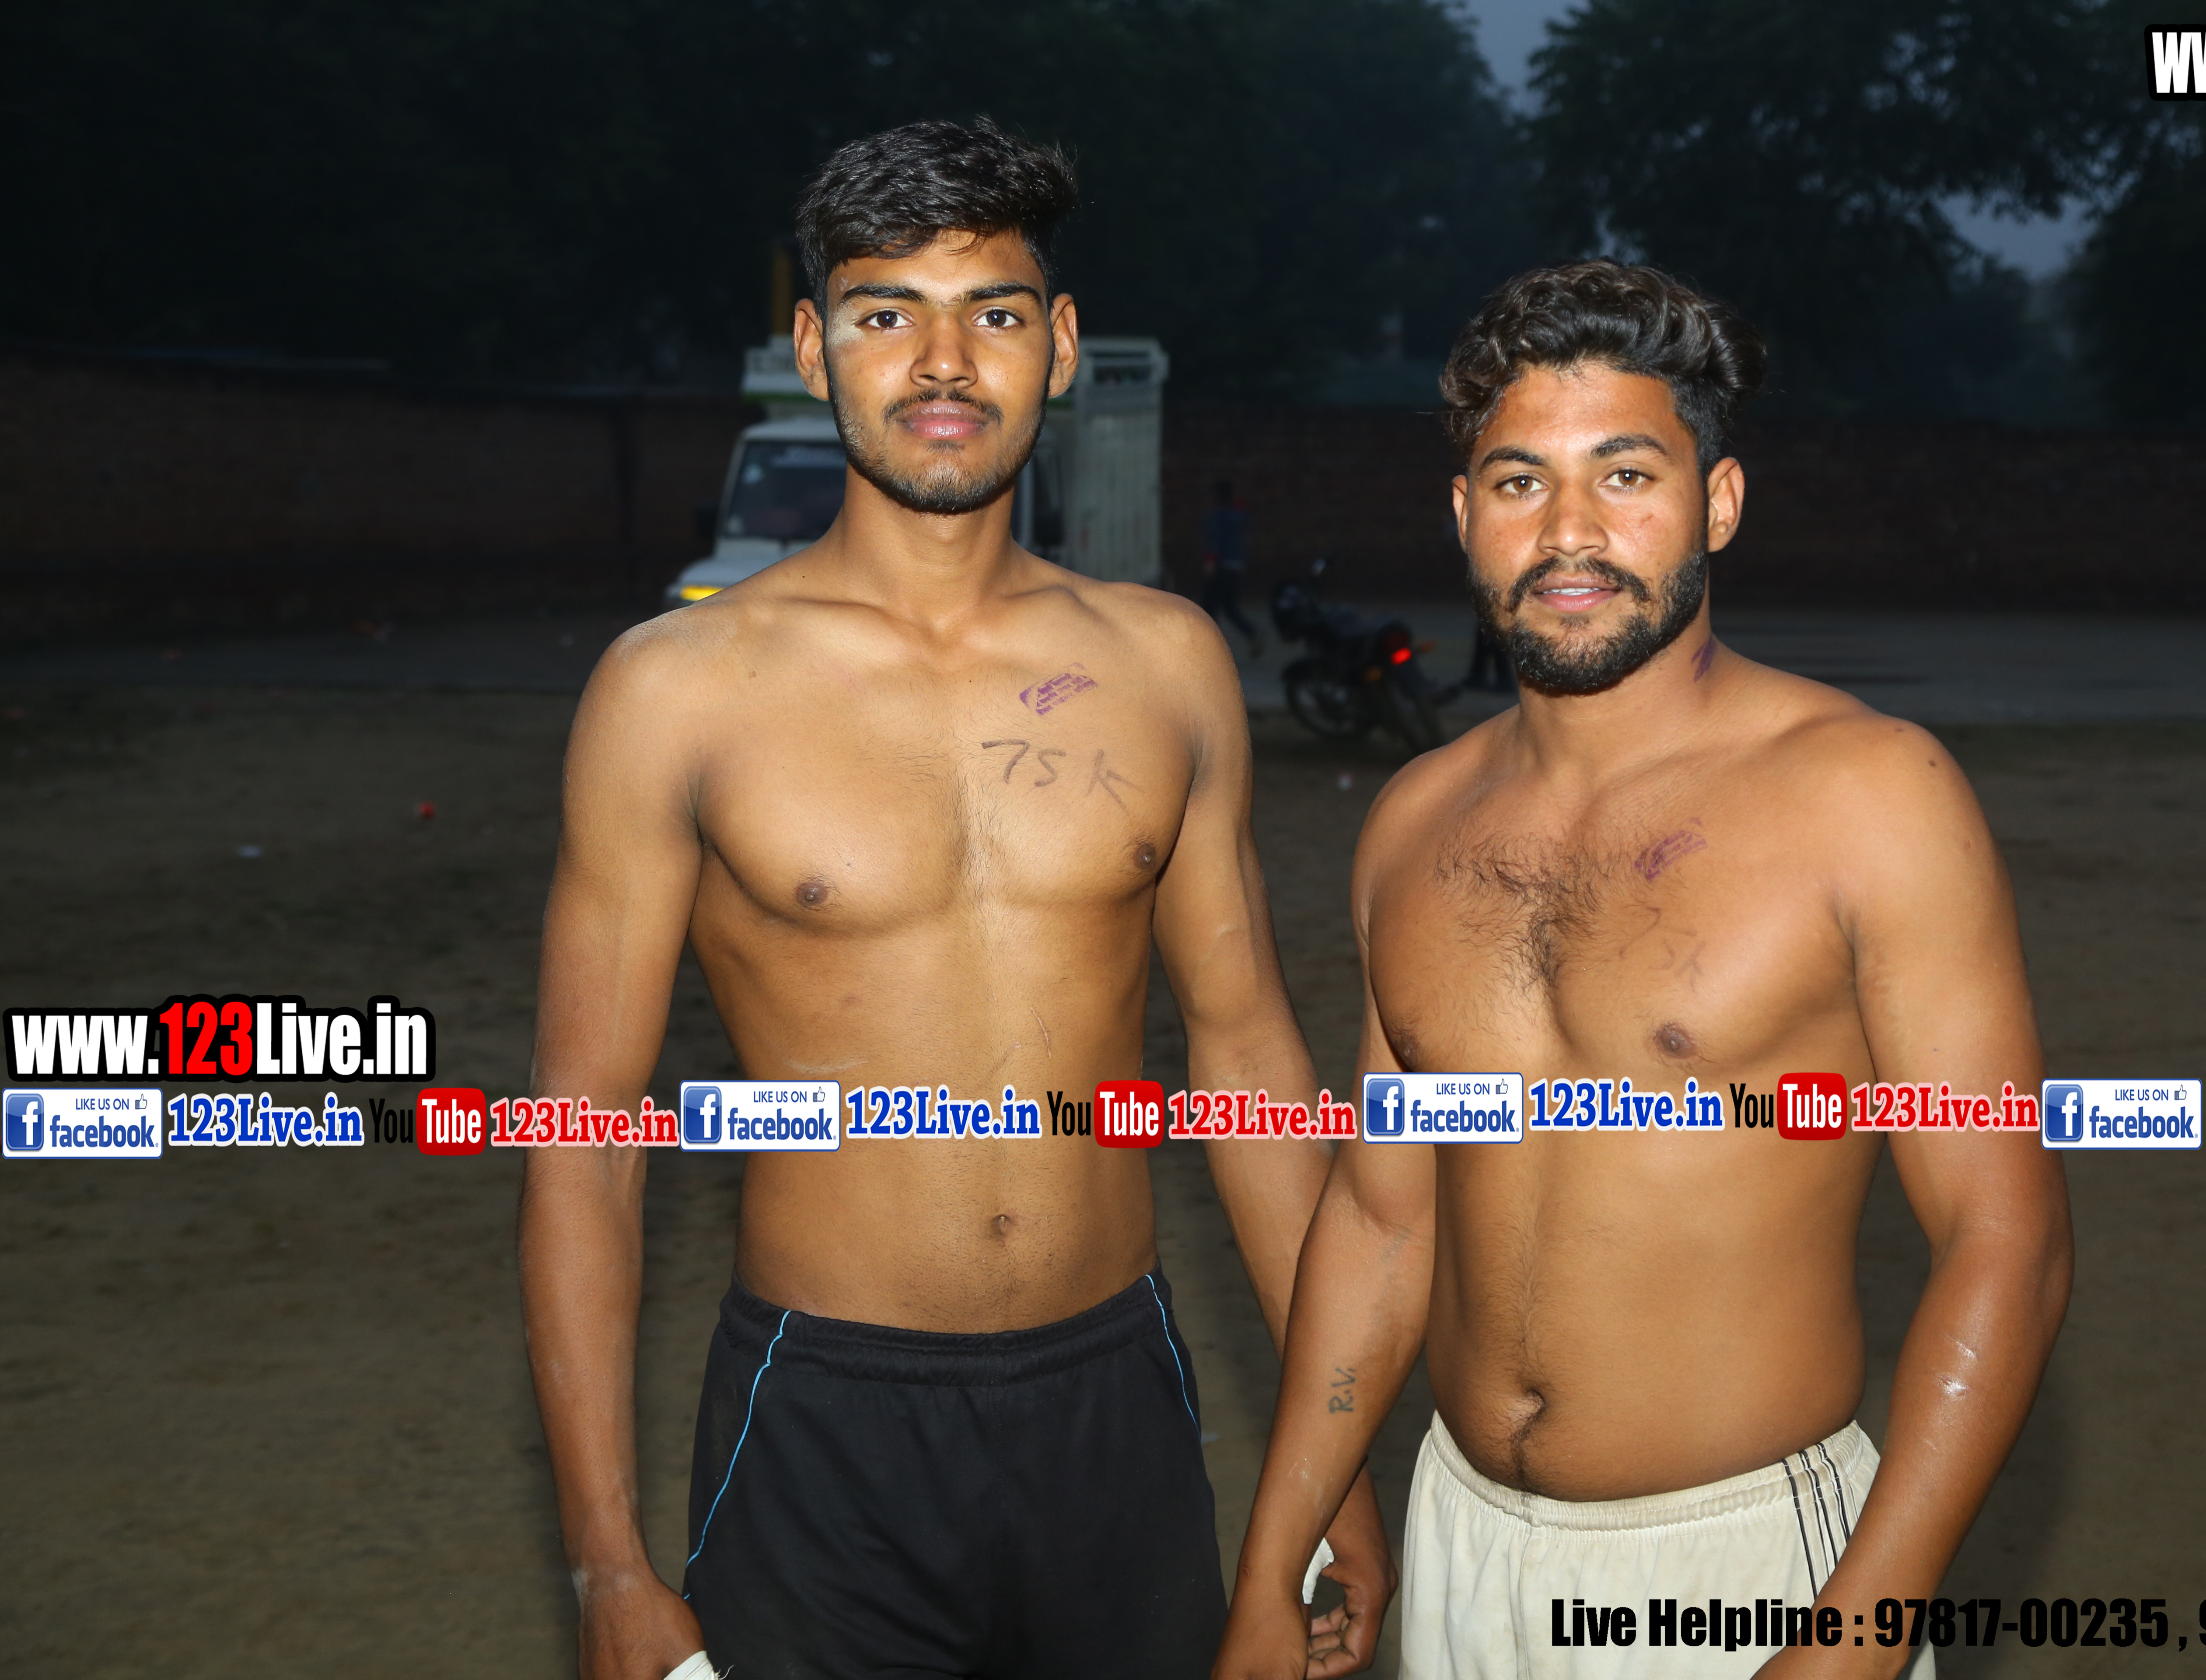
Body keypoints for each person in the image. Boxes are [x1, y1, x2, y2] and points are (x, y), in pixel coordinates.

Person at [520, 119, 1391, 1680]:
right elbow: (585, 1136)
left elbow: (1251, 1065)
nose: (941, 362)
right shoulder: (673, 689)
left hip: (1116, 1398)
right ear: (813, 348)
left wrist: (1337, 1473)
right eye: (885, 313)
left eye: (992, 311)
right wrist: (604, 1559)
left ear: (1059, 345)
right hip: (819, 1418)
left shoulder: (1167, 663)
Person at [1212, 261, 2072, 1680]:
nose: (1570, 531)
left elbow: (2005, 1239)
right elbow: (1382, 1219)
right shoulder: (1414, 823)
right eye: (1520, 482)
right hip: (1463, 1543)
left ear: (1717, 502)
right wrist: (1275, 1555)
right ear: (1464, 516)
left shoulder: (1871, 796)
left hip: (1750, 1569)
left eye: (1625, 475)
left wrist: (1858, 1636)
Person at [1202, 479, 1264, 659]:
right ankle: (1252, 633)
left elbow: (1214, 541)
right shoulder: (1239, 516)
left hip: (1221, 567)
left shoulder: (1216, 517)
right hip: (1237, 567)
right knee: (1230, 609)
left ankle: (1209, 647)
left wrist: (1210, 562)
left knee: (1209, 609)